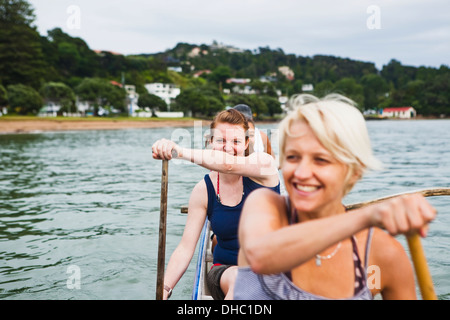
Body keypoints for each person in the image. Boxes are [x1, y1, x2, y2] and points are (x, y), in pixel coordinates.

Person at [234, 94, 437, 300]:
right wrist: (367, 216)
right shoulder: (265, 205)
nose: (301, 173)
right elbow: (261, 258)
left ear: (355, 171)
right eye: (293, 157)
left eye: (321, 160)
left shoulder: (382, 253)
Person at [152, 108, 280, 300]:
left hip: (273, 269)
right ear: (211, 141)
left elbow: (228, 164)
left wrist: (177, 150)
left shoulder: (265, 165)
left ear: (246, 143)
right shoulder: (203, 190)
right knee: (242, 282)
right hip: (227, 272)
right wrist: (165, 289)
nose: (228, 147)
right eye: (221, 140)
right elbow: (185, 248)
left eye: (236, 141)